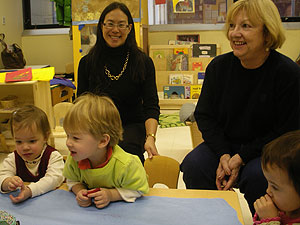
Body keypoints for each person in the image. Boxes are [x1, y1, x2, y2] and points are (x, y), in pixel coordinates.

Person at [180, 0, 300, 215]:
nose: (235, 33)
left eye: (246, 26)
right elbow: (205, 116)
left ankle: (265, 219)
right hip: (224, 146)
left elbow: (286, 130)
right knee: (194, 164)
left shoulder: (287, 73)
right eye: (232, 26)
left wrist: (241, 157)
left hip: (264, 151)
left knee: (259, 177)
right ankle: (208, 218)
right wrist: (224, 155)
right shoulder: (218, 68)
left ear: (267, 32)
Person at [77, 2, 160, 163]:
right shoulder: (87, 63)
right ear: (101, 26)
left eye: (121, 25)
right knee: (92, 155)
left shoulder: (143, 62)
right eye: (110, 24)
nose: (115, 30)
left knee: (125, 154)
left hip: (131, 126)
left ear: (129, 28)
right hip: (95, 127)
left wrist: (150, 138)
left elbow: (151, 106)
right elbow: (81, 106)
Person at [62, 93, 149, 209]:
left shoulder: (126, 165)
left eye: (76, 138)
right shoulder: (75, 158)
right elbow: (72, 180)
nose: (68, 143)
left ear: (102, 141)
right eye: (68, 135)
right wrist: (80, 191)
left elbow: (138, 189)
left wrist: (111, 195)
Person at [0, 105, 64, 203]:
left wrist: (30, 190)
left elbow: (54, 179)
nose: (25, 147)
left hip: (50, 204)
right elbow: (2, 175)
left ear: (45, 137)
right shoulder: (13, 158)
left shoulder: (53, 156)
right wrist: (7, 182)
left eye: (32, 141)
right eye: (19, 142)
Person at [253, 130, 300, 224]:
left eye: (274, 187)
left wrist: (268, 221)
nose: (268, 191)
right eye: (268, 183)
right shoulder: (285, 207)